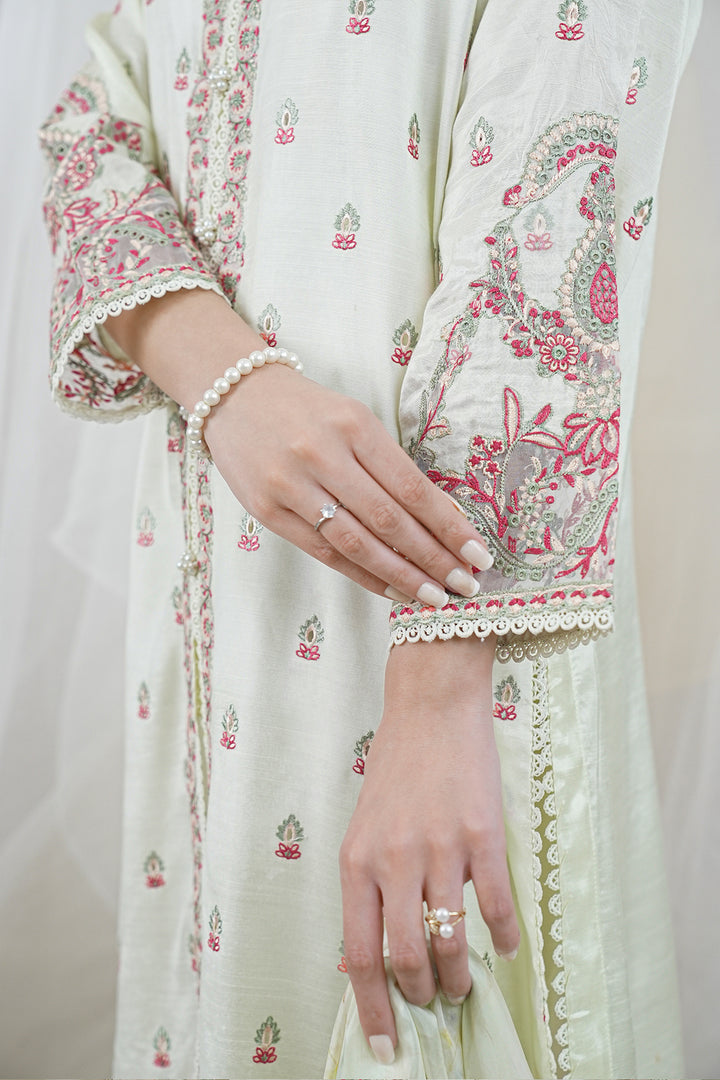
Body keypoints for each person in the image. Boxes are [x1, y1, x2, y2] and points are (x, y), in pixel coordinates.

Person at [40, 0, 700, 1076]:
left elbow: (554, 201)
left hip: (454, 637)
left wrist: (438, 701)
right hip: (212, 580)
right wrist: (222, 377)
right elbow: (91, 121)